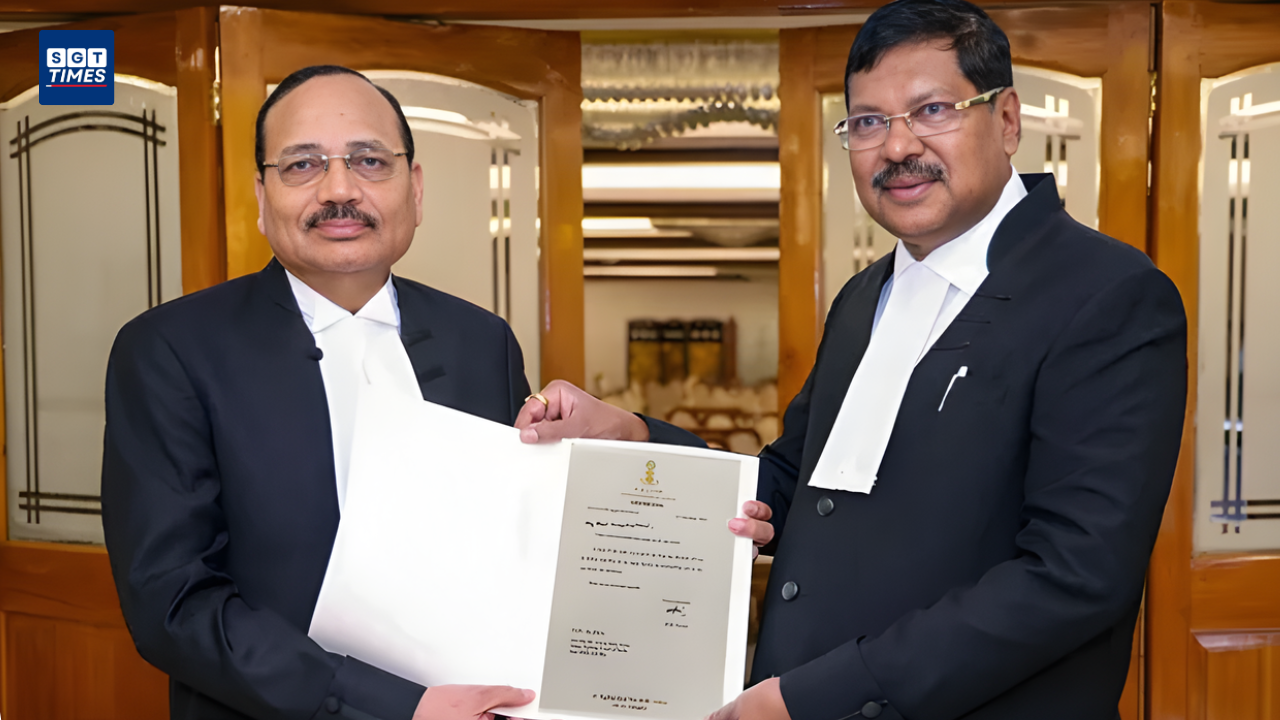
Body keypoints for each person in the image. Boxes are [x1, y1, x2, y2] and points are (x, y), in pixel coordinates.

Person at [515, 1, 1188, 718]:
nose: (897, 147)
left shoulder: (1107, 294)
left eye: (932, 110)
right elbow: (794, 481)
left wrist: (814, 695)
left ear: (1008, 120)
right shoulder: (864, 296)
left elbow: (1074, 576)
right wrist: (635, 438)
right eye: (867, 122)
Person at [102, 66, 535, 720]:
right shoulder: (171, 350)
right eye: (302, 165)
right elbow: (172, 602)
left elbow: (517, 544)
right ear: (261, 192)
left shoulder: (482, 341)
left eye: (369, 161)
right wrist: (394, 707)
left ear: (414, 188)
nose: (339, 190)